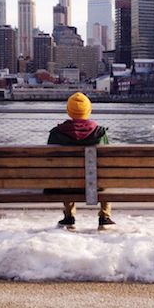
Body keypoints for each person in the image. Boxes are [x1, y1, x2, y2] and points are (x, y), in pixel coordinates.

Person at [47, 92, 115, 231]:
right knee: (106, 176)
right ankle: (104, 217)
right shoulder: (100, 133)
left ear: (68, 111)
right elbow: (108, 163)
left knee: (64, 174)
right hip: (96, 186)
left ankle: (68, 217)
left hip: (66, 185)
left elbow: (50, 162)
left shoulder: (56, 133)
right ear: (88, 110)